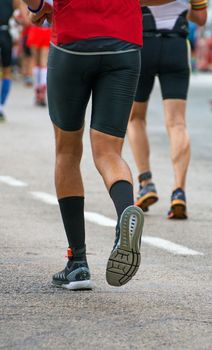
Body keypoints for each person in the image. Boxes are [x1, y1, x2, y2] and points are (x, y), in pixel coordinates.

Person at [22, 0, 175, 290]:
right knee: (108, 152)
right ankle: (124, 219)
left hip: (72, 43)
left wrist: (37, 7)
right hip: (124, 45)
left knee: (67, 151)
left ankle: (77, 263)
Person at [128, 0, 207, 219]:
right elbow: (201, 18)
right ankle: (178, 191)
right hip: (176, 44)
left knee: (135, 118)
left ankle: (146, 183)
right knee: (177, 122)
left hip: (143, 43)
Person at [26, 18, 51, 106]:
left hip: (35, 30)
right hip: (47, 30)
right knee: (44, 63)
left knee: (36, 63)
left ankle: (37, 92)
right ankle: (42, 92)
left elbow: (28, 19)